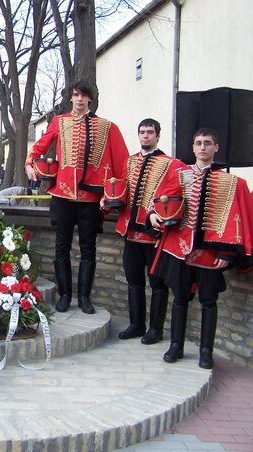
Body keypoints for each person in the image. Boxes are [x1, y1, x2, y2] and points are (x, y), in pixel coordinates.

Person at [150, 128, 253, 369]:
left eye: (208, 143)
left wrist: (227, 253)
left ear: (216, 147)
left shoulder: (232, 182)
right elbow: (162, 200)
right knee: (179, 299)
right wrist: (154, 214)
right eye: (198, 143)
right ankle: (176, 345)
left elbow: (239, 218)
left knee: (209, 301)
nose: (203, 147)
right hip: (180, 249)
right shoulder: (179, 174)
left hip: (210, 254)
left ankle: (206, 350)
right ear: (193, 147)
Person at [25, 80, 129, 314]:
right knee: (61, 246)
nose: (79, 99)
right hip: (62, 194)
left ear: (90, 99)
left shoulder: (106, 126)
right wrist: (29, 164)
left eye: (84, 96)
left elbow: (122, 163)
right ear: (71, 98)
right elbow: (39, 147)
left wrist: (114, 195)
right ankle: (65, 296)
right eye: (75, 95)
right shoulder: (59, 122)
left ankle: (84, 297)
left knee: (88, 248)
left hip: (91, 198)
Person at [104, 118, 184, 344]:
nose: (145, 136)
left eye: (150, 132)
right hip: (131, 232)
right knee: (134, 281)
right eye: (142, 132)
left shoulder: (172, 164)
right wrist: (108, 200)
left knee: (157, 283)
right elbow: (122, 189)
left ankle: (155, 329)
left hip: (155, 235)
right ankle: (136, 324)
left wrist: (154, 210)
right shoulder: (130, 162)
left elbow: (173, 192)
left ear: (158, 135)